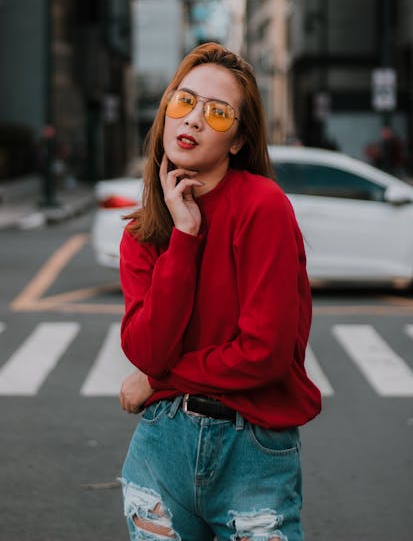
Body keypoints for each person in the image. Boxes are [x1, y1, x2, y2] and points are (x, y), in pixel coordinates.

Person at [118, 43, 321, 541]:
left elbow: (265, 354)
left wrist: (158, 380)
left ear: (237, 140)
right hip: (161, 447)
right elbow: (147, 349)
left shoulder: (262, 206)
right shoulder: (143, 232)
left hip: (251, 451)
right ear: (166, 111)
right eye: (184, 102)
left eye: (217, 111)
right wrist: (184, 237)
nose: (194, 120)